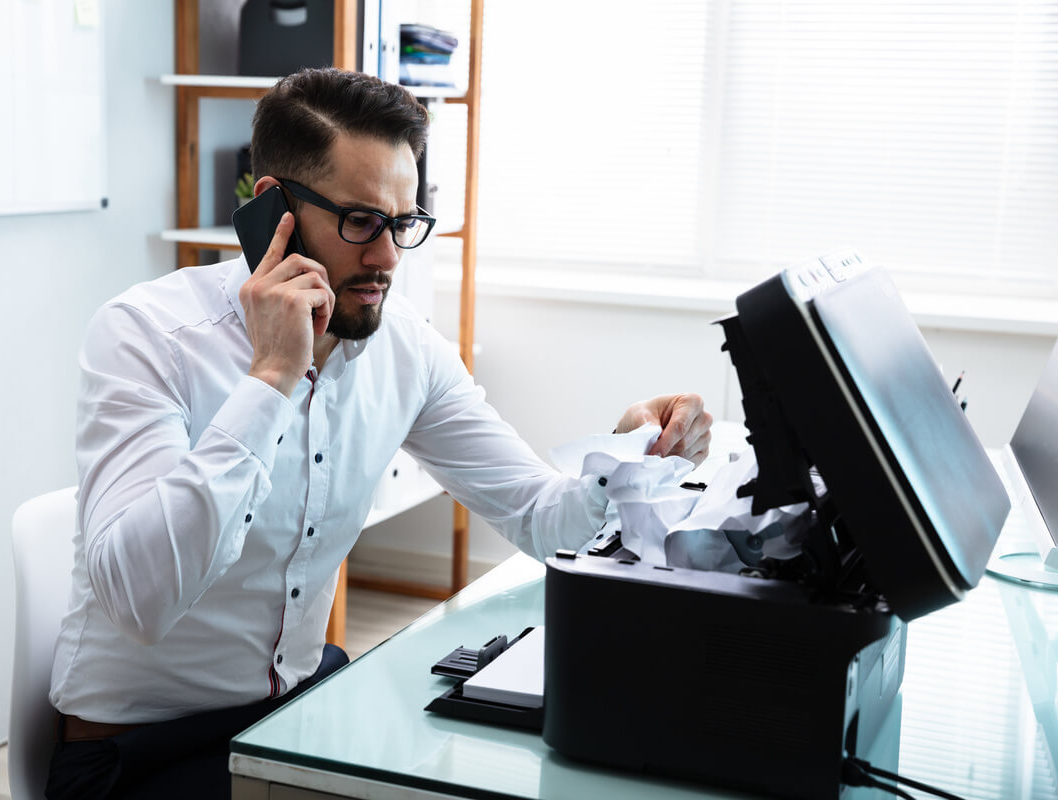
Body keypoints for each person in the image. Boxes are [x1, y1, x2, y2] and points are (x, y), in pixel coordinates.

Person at [46, 67, 712, 799]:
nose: (389, 258)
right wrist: (269, 378)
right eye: (361, 222)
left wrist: (626, 455)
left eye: (403, 223)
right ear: (274, 212)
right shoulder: (146, 337)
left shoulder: (406, 350)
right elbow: (142, 602)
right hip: (141, 753)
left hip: (294, 707)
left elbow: (537, 516)